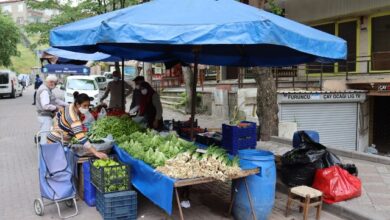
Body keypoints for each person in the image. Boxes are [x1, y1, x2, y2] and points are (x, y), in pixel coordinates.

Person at [48, 92, 108, 159]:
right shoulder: (74, 118)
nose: (87, 108)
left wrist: (60, 127)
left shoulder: (70, 106)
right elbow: (81, 138)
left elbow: (58, 115)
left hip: (54, 136)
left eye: (88, 106)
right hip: (57, 141)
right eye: (84, 105)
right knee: (57, 164)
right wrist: (96, 152)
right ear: (77, 104)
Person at [36, 74, 67, 144]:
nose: (55, 85)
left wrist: (68, 105)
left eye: (55, 83)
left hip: (44, 116)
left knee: (44, 135)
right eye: (54, 83)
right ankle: (43, 154)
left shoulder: (47, 89)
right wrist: (56, 108)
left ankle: (44, 153)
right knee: (45, 137)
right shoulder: (45, 91)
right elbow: (45, 106)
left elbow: (56, 100)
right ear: (50, 82)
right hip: (44, 116)